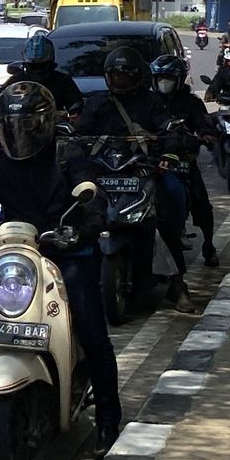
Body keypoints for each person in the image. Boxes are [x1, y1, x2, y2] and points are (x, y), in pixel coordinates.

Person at [0, 82, 122, 457]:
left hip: (65, 253)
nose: (17, 135)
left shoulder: (67, 155)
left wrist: (85, 225)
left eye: (24, 127)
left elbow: (94, 199)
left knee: (90, 326)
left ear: (42, 124)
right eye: (9, 127)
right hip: (15, 257)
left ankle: (108, 418)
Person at [78, 46, 193, 312]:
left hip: (144, 170)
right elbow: (78, 135)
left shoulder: (151, 102)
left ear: (138, 75)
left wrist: (170, 153)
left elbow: (169, 128)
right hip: (103, 173)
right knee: (69, 208)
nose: (119, 79)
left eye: (125, 73)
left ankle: (178, 285)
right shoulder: (97, 102)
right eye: (114, 74)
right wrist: (72, 153)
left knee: (172, 199)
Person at [151, 55, 219, 267]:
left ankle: (208, 244)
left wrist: (206, 134)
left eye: (168, 77)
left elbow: (203, 122)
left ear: (179, 79)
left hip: (181, 161)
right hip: (149, 161)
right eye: (160, 77)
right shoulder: (148, 102)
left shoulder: (191, 103)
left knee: (201, 204)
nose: (164, 81)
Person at [0, 33, 84, 120]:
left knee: (70, 146)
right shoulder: (16, 80)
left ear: (50, 62)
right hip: (17, 130)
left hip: (51, 131)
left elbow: (75, 103)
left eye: (41, 66)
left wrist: (73, 114)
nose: (37, 71)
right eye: (33, 66)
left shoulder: (62, 80)